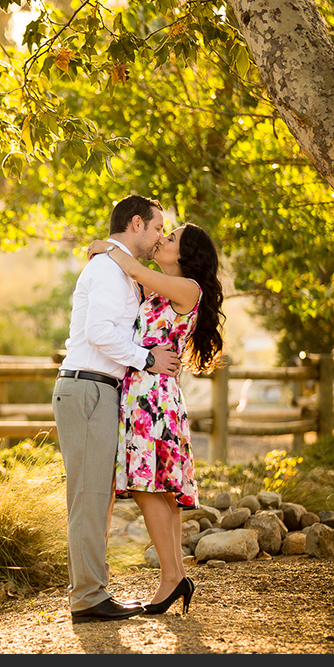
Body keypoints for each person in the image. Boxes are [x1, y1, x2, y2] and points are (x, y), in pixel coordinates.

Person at [52, 195, 182, 625]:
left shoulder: (118, 267)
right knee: (89, 499)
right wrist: (146, 359)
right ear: (137, 222)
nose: (161, 235)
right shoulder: (108, 270)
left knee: (97, 498)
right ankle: (88, 598)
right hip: (87, 389)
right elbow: (100, 332)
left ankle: (93, 591)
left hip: (98, 391)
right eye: (158, 227)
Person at [86, 222, 225, 615]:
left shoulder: (189, 288)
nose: (162, 239)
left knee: (148, 487)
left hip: (154, 400)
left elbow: (134, 269)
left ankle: (171, 578)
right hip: (144, 396)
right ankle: (176, 575)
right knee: (162, 490)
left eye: (172, 237)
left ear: (186, 255)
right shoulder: (158, 291)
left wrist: (108, 247)